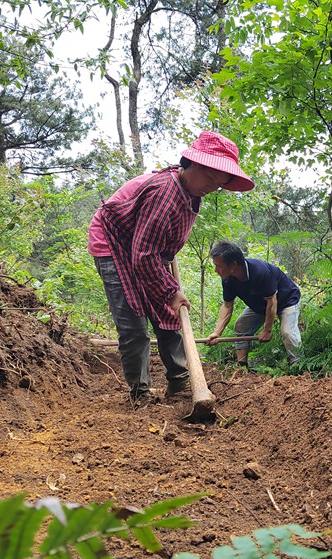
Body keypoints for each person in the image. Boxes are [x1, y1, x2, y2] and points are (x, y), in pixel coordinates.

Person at [87, 132, 254, 402]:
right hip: (115, 243)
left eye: (219, 184)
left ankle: (179, 381)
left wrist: (167, 290)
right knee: (133, 323)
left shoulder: (190, 193)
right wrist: (170, 290)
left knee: (168, 314)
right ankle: (139, 393)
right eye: (210, 178)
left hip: (146, 250)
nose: (212, 187)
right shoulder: (164, 193)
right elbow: (143, 255)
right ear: (191, 164)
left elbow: (153, 247)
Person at [206, 241, 302, 368]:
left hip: (286, 300)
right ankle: (242, 367)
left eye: (218, 266)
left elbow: (272, 302)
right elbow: (227, 306)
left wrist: (267, 330)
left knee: (288, 332)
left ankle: (298, 366)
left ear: (233, 265)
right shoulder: (228, 279)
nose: (215, 270)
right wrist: (217, 332)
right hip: (261, 305)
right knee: (241, 326)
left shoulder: (260, 272)